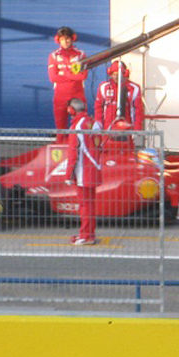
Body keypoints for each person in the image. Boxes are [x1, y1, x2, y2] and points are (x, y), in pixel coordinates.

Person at [64, 98, 101, 246]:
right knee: (90, 204)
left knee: (85, 205)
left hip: (83, 171)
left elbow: (73, 153)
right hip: (94, 167)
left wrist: (68, 175)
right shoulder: (92, 122)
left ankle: (86, 235)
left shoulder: (76, 127)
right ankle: (88, 233)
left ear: (71, 110)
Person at [48, 26, 88, 140]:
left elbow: (83, 76)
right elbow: (53, 78)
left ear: (72, 38)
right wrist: (72, 76)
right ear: (58, 40)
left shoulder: (80, 55)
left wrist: (65, 73)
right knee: (60, 130)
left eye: (67, 39)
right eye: (62, 39)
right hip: (60, 96)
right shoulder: (53, 55)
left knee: (81, 127)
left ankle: (80, 153)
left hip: (78, 95)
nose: (65, 42)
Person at [94, 61, 146, 131]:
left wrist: (137, 128)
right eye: (114, 74)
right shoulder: (104, 87)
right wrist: (98, 123)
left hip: (127, 128)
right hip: (107, 129)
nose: (116, 77)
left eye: (118, 74)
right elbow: (98, 107)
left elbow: (138, 110)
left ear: (125, 73)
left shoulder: (134, 88)